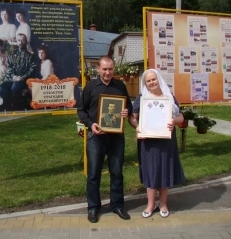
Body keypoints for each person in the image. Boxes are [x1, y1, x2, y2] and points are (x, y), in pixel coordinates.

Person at [77, 56, 132, 223]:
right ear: (98, 69)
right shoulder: (90, 87)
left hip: (116, 138)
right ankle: (93, 207)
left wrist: (126, 112)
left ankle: (117, 206)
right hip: (96, 137)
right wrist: (90, 124)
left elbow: (128, 105)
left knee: (117, 173)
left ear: (113, 69)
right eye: (105, 69)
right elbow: (81, 110)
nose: (108, 72)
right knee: (93, 174)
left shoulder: (120, 86)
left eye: (110, 69)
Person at [128, 68, 185, 219]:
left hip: (166, 141)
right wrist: (138, 126)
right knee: (151, 171)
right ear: (145, 83)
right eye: (148, 81)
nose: (152, 82)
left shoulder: (169, 97)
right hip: (148, 142)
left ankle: (164, 203)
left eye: (154, 79)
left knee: (164, 170)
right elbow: (132, 118)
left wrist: (174, 121)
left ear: (158, 79)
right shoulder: (142, 98)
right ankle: (150, 204)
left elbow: (181, 117)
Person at [2, 33, 36, 110]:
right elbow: (9, 67)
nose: (20, 42)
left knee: (15, 87)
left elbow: (32, 70)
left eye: (22, 40)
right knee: (2, 87)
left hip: (24, 79)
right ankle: (7, 107)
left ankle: (16, 108)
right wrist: (13, 76)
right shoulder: (12, 53)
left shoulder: (30, 55)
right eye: (18, 40)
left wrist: (22, 77)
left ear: (26, 41)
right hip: (13, 77)